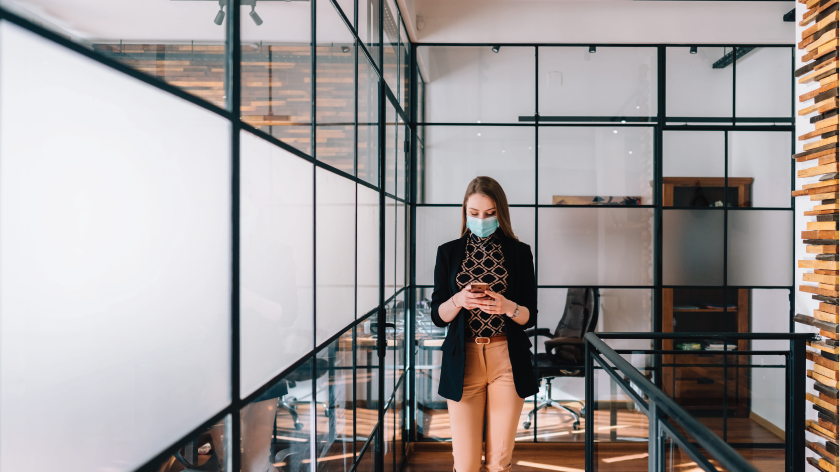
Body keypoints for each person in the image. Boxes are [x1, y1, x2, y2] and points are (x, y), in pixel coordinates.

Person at [430, 176, 539, 472]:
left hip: (506, 359)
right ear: (465, 211)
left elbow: (530, 316)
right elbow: (438, 316)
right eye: (474, 213)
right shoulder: (448, 252)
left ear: (500, 213)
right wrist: (459, 300)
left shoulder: (519, 252)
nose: (481, 219)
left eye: (490, 213)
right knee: (465, 464)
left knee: (499, 462)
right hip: (463, 361)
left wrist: (508, 307)